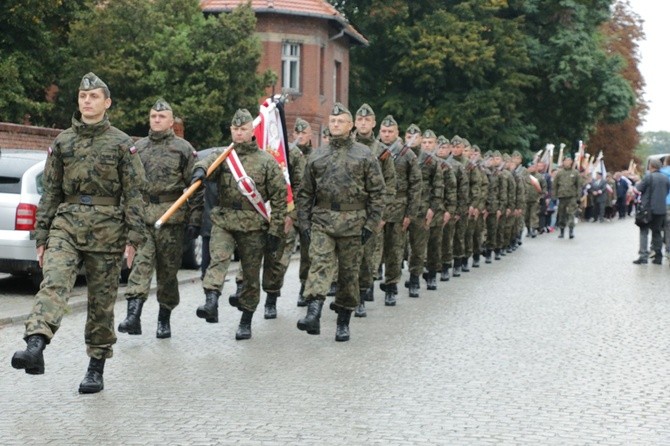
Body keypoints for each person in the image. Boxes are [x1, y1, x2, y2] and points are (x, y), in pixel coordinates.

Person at [11, 72, 147, 394]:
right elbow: (51, 192)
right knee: (54, 283)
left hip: (107, 230)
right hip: (66, 224)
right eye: (83, 97)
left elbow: (135, 194)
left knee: (100, 304)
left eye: (94, 97)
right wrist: (41, 236)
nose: (87, 102)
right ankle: (36, 346)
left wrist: (134, 238)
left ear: (106, 102)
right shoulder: (62, 142)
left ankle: (95, 367)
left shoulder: (121, 143)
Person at [192, 109, 287, 340]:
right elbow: (206, 162)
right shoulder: (224, 155)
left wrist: (275, 230)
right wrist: (200, 170)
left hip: (253, 225)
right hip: (225, 220)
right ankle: (211, 299)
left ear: (251, 130)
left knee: (251, 275)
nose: (238, 133)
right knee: (218, 259)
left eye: (243, 129)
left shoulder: (266, 161)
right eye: (235, 129)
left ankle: (246, 319)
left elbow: (279, 198)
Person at [296, 102, 385, 342]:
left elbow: (378, 193)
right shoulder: (318, 155)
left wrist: (371, 225)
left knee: (348, 274)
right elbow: (305, 192)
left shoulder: (364, 154)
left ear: (350, 125)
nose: (335, 125)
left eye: (340, 121)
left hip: (354, 223)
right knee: (320, 266)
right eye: (332, 121)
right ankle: (313, 313)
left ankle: (343, 320)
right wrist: (303, 222)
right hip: (323, 221)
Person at [117, 99, 200, 339]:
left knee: (167, 273)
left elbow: (195, 186)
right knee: (140, 267)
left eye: (161, 117)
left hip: (170, 219)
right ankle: (133, 316)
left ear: (171, 121)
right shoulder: (138, 148)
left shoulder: (183, 149)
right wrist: (126, 216)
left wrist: (194, 219)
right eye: (153, 116)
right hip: (143, 217)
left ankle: (164, 316)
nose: (156, 120)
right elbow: (128, 185)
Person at [353, 104, 396, 317]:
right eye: (359, 120)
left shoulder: (382, 152)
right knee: (344, 257)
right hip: (346, 211)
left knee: (366, 256)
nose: (362, 123)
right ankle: (345, 295)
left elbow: (389, 185)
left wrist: (382, 215)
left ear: (373, 123)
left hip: (370, 212)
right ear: (354, 122)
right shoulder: (346, 146)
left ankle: (360, 296)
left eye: (366, 120)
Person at [377, 115, 421, 306]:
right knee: (374, 250)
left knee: (395, 250)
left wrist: (410, 213)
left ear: (397, 133)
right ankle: (367, 286)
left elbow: (416, 185)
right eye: (384, 132)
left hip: (398, 209)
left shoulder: (407, 154)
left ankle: (391, 286)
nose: (386, 135)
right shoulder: (372, 150)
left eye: (390, 132)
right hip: (377, 208)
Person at [633, 159, 670, 264]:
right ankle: (658, 257)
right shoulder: (665, 178)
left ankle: (643, 256)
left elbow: (638, 189)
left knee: (644, 232)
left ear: (651, 166)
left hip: (648, 209)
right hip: (661, 209)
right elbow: (667, 191)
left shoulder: (648, 177)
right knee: (657, 232)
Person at [553, 156, 581, 239]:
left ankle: (571, 231)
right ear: (563, 162)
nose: (567, 162)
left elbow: (579, 185)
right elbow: (555, 185)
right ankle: (561, 231)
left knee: (571, 213)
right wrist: (554, 196)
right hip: (562, 196)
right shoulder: (559, 173)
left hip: (572, 196)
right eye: (566, 161)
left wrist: (578, 197)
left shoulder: (575, 173)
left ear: (571, 162)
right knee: (562, 214)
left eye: (569, 160)